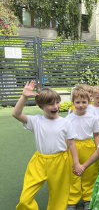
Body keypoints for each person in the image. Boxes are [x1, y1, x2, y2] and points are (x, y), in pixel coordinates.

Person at [12, 81, 81, 210]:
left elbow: (71, 143)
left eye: (57, 102)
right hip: (39, 162)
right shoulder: (36, 121)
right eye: (50, 104)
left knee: (58, 197)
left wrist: (76, 163)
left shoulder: (65, 123)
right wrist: (24, 97)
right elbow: (16, 114)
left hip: (60, 162)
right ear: (41, 106)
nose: (56, 106)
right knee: (25, 198)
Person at [66, 88, 99, 210]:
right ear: (73, 103)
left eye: (84, 102)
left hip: (88, 146)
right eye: (78, 102)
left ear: (89, 101)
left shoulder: (93, 118)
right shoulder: (68, 119)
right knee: (73, 174)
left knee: (90, 173)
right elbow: (66, 138)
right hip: (72, 147)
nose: (81, 105)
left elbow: (97, 134)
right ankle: (71, 201)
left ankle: (88, 198)